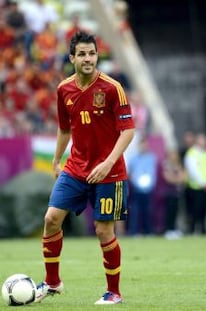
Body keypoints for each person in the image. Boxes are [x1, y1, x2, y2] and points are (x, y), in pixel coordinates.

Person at [34, 31, 135, 305]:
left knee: (104, 231)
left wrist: (108, 162)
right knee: (51, 219)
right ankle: (53, 283)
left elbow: (128, 131)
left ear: (96, 55)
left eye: (92, 53)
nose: (88, 58)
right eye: (82, 54)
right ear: (72, 58)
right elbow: (65, 128)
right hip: (76, 168)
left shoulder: (113, 88)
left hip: (109, 172)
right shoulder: (63, 89)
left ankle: (114, 292)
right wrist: (56, 159)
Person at [183, 133, 206, 235]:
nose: (205, 144)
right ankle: (192, 230)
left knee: (204, 210)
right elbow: (193, 171)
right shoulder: (191, 154)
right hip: (195, 187)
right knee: (193, 211)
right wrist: (203, 183)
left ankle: (203, 230)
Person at [127, 136, 158, 236]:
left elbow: (153, 173)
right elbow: (130, 173)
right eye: (142, 145)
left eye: (145, 145)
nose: (143, 147)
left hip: (148, 189)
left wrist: (150, 184)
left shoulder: (152, 158)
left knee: (148, 211)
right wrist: (135, 182)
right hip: (137, 188)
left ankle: (148, 231)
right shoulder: (134, 158)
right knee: (135, 211)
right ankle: (134, 231)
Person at [162, 150, 185, 240]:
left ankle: (174, 229)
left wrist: (176, 178)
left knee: (177, 211)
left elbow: (183, 177)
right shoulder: (167, 165)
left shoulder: (179, 165)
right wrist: (177, 179)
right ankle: (169, 229)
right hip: (169, 193)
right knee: (169, 211)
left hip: (178, 193)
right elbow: (168, 178)